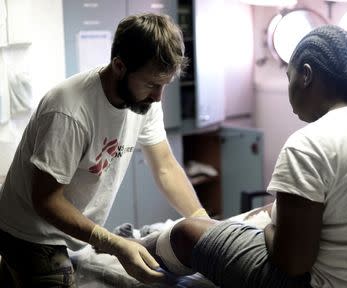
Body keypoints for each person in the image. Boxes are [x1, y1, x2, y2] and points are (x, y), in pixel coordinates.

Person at [135, 25, 347, 288]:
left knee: (186, 231)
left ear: (305, 75)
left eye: (289, 76)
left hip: (325, 283)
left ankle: (138, 247)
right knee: (258, 214)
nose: (289, 86)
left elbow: (292, 263)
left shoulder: (309, 142)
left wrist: (271, 227)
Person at [0, 13, 208, 287]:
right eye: (152, 85)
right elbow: (46, 201)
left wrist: (200, 219)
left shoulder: (145, 100)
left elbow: (165, 166)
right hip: (30, 231)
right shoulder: (69, 111)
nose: (158, 97)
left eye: (164, 85)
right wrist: (115, 244)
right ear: (119, 66)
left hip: (65, 227)